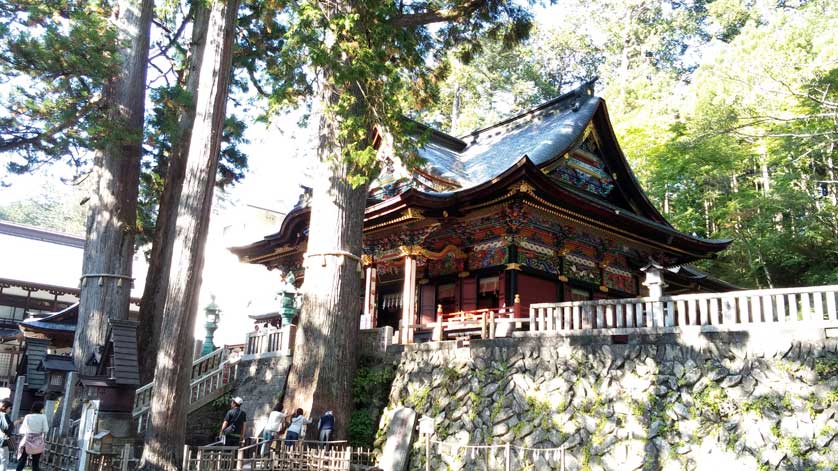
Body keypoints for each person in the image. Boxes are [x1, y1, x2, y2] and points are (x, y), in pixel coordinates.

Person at [16, 402, 48, 471]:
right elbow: (46, 429)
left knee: (22, 460)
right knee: (35, 462)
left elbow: (22, 430)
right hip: (38, 440)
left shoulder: (28, 416)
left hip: (27, 440)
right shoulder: (43, 417)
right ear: (41, 409)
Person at [0, 400, 13, 471]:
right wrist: (15, 423)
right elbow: (7, 428)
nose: (10, 410)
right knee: (4, 460)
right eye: (10, 408)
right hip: (3, 441)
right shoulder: (4, 415)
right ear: (5, 407)